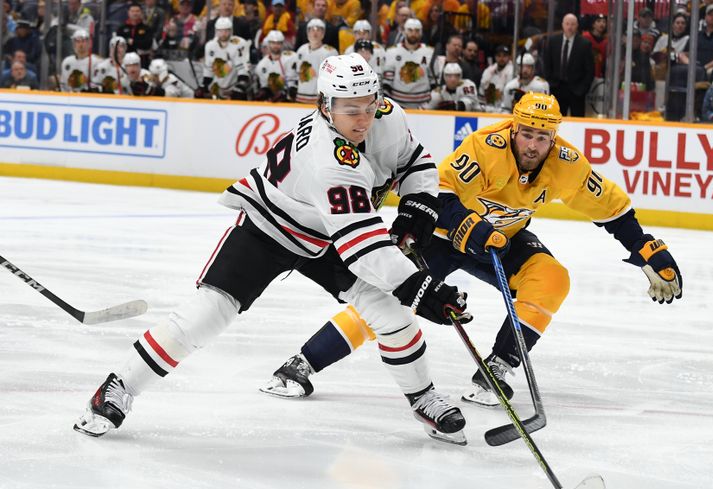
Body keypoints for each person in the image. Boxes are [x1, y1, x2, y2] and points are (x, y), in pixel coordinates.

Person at [73, 53, 470, 446]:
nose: (363, 119)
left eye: (369, 106)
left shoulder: (388, 117)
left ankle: (423, 397)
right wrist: (423, 288)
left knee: (389, 312)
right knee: (208, 314)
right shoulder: (328, 159)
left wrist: (419, 205)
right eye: (351, 110)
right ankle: (116, 387)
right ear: (325, 106)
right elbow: (363, 248)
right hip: (271, 227)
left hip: (328, 232)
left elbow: (415, 162)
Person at [261, 92, 683, 408]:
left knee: (552, 278)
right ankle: (305, 361)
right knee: (391, 297)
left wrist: (646, 246)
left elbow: (611, 207)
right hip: (445, 234)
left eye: (544, 137)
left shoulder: (567, 165)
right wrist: (468, 226)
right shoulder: (485, 148)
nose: (534, 145)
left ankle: (496, 367)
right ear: (514, 129)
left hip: (504, 238)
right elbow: (435, 192)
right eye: (528, 134)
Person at [543, 13, 594, 116]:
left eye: (573, 24)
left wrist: (582, 89)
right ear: (562, 25)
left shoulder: (584, 44)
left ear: (577, 25)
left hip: (576, 90)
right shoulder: (553, 41)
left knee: (578, 120)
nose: (570, 27)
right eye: (567, 24)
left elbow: (590, 71)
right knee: (555, 120)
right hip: (556, 88)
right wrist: (551, 83)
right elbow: (547, 64)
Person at [383, 18, 435, 108]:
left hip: (423, 104)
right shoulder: (391, 51)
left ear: (421, 32)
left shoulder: (430, 52)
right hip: (397, 104)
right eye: (410, 30)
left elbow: (434, 82)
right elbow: (387, 82)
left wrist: (429, 104)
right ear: (404, 31)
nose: (413, 34)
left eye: (417, 31)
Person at [196, 17, 250, 100]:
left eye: (226, 30)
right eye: (220, 31)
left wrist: (240, 85)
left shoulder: (240, 43)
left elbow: (243, 69)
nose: (223, 34)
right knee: (198, 94)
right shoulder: (210, 46)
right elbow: (208, 70)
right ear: (216, 31)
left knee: (239, 95)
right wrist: (204, 86)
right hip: (217, 87)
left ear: (231, 30)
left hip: (234, 86)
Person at [295, 18, 337, 104]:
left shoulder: (330, 52)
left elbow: (333, 78)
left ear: (323, 33)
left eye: (319, 30)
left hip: (320, 100)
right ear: (307, 32)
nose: (315, 33)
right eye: (312, 29)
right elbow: (298, 72)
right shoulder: (301, 50)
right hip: (300, 97)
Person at [253, 30, 298, 101]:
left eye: (278, 43)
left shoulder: (292, 57)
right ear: (268, 44)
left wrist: (286, 93)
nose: (276, 46)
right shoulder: (261, 65)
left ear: (282, 44)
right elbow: (264, 86)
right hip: (272, 102)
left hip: (290, 100)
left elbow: (293, 83)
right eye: (273, 43)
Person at [480, 44, 514, 112]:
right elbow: (482, 92)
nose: (501, 58)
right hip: (489, 108)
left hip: (506, 110)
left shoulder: (513, 71)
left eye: (504, 56)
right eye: (499, 56)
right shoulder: (488, 71)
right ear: (495, 57)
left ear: (509, 57)